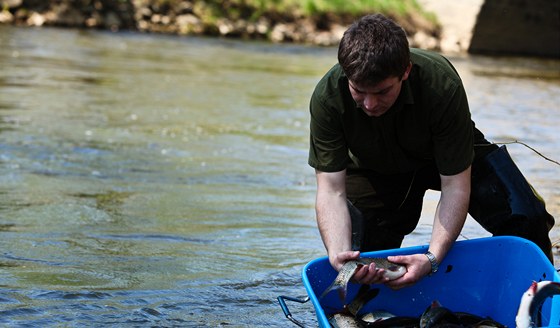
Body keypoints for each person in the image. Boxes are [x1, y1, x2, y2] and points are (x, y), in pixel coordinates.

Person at [308, 13, 555, 290]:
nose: (369, 104)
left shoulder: (441, 83)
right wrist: (340, 258)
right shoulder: (327, 97)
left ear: (405, 72)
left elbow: (455, 186)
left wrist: (432, 257)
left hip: (451, 157)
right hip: (375, 169)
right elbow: (331, 191)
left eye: (381, 92)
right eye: (358, 91)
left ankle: (540, 297)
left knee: (527, 216)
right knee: (365, 261)